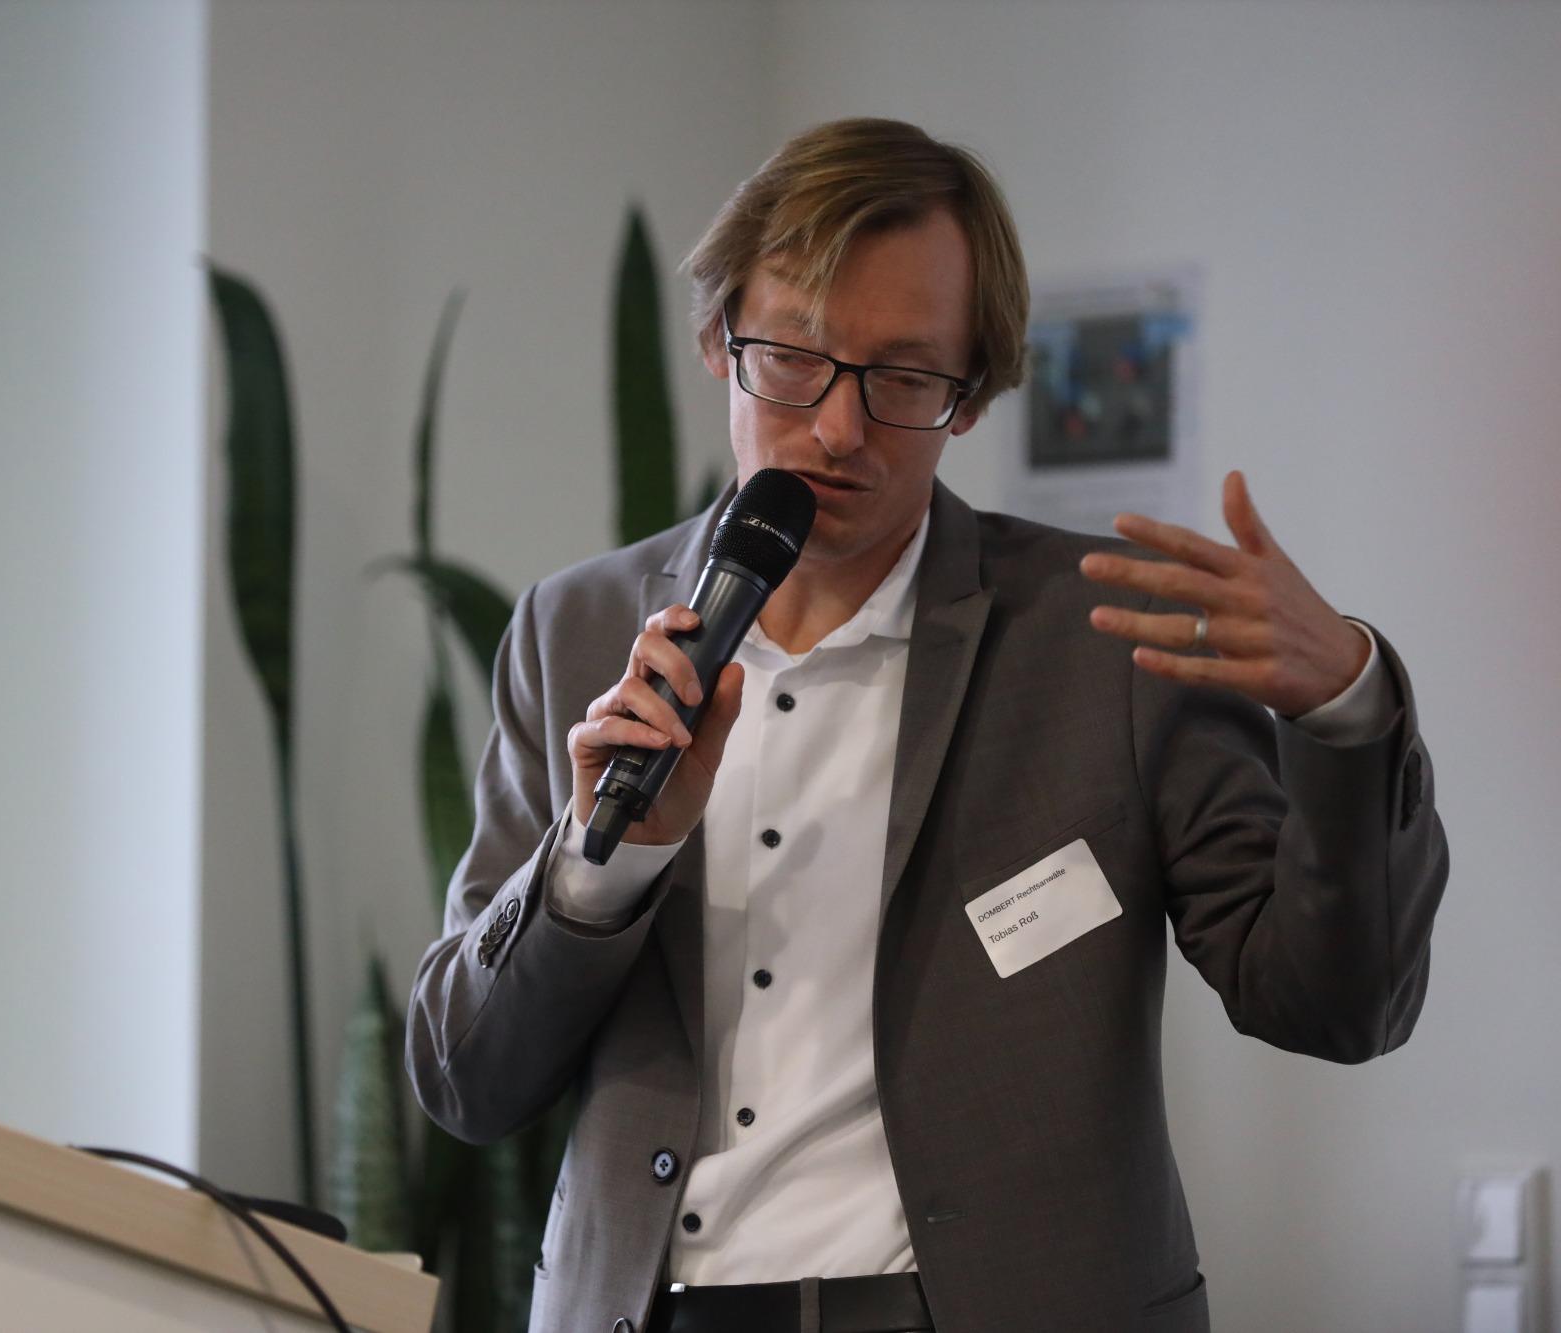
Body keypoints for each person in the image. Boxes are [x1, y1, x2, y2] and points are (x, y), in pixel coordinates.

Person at [405, 118, 1447, 1333]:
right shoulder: (574, 629)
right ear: (716, 340)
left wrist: (1346, 706)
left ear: (970, 398)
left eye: (902, 379)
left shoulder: (1101, 636)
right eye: (791, 357)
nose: (837, 428)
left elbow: (1334, 1005)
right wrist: (604, 865)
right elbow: (464, 1078)